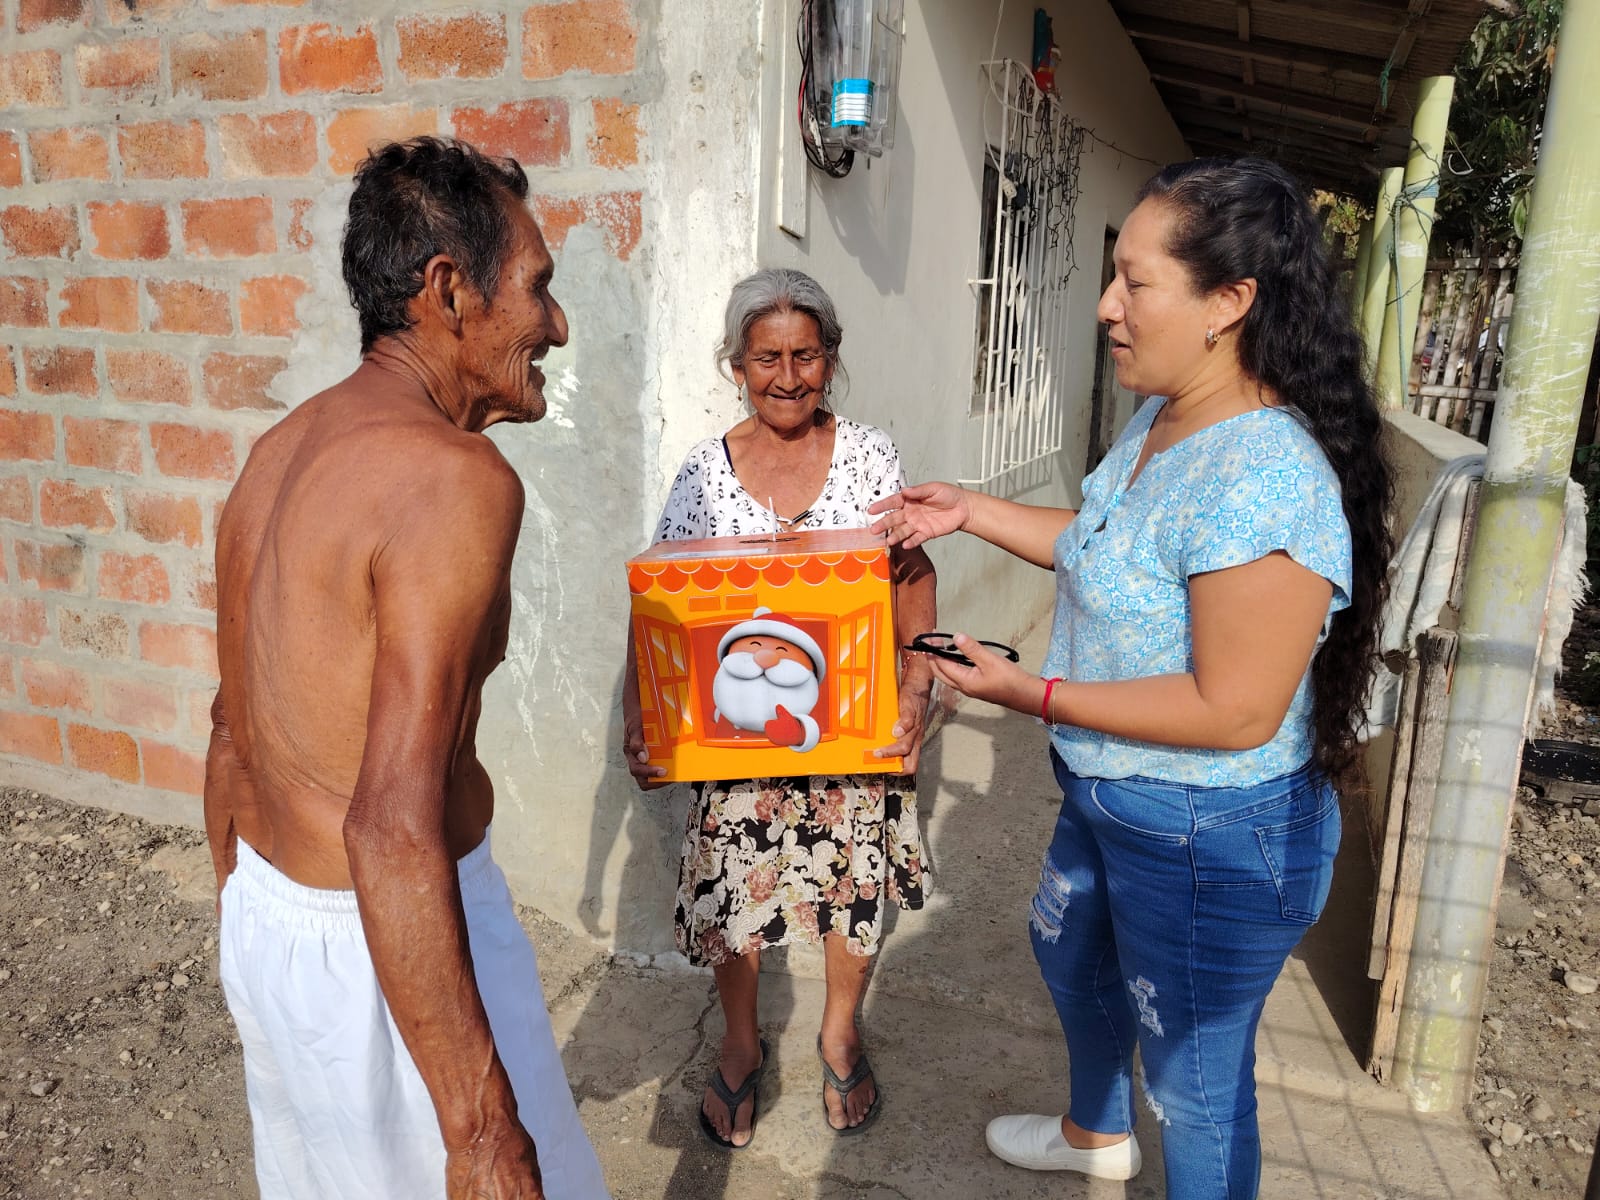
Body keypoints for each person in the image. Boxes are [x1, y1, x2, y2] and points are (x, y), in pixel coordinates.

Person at [871, 157, 1392, 1199]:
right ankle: (1095, 1135)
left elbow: (1234, 710)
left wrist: (1032, 694)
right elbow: (1106, 544)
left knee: (1193, 1087)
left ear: (1228, 303)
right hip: (1112, 790)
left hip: (1212, 829)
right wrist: (969, 511)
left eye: (1134, 280)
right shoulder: (1166, 418)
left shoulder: (1264, 477)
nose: (1107, 305)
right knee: (1068, 953)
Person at [205, 137, 610, 1200]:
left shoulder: (277, 451)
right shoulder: (453, 478)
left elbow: (230, 729)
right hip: (394, 946)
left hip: (273, 920)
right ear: (449, 289)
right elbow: (389, 823)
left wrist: (253, 934)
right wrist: (479, 1134)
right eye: (537, 287)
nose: (557, 325)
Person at [622, 268, 937, 1148]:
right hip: (736, 741)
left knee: (853, 885)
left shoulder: (870, 456)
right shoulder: (703, 472)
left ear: (830, 359)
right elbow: (659, 604)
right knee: (733, 892)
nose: (788, 377)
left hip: (852, 733)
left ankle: (839, 1033)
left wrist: (918, 687)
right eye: (768, 358)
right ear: (737, 365)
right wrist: (641, 716)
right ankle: (739, 1041)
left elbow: (911, 574)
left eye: (806, 355)